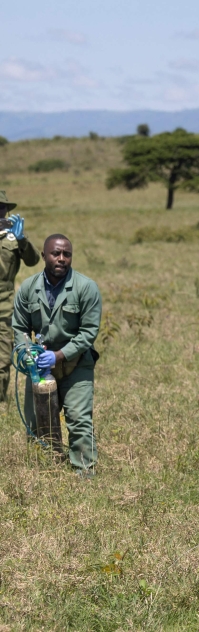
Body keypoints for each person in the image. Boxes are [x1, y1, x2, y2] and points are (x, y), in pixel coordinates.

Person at [13, 234, 102, 476]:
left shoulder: (86, 287)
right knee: (37, 424)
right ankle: (45, 472)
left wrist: (59, 355)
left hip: (77, 364)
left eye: (67, 254)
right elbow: (20, 327)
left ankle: (85, 472)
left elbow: (89, 332)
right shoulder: (28, 288)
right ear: (44, 256)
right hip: (40, 367)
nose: (62, 258)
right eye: (55, 253)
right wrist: (25, 352)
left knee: (79, 419)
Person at [0, 191, 40, 402]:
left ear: (8, 211)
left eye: (1, 207)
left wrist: (23, 239)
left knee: (2, 358)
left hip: (4, 306)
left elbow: (33, 260)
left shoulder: (13, 237)